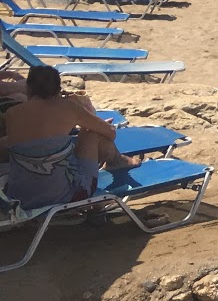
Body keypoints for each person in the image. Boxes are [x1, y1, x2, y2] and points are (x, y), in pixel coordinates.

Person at [0, 67, 134, 210]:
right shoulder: (69, 107)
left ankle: (118, 160)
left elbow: (36, 139)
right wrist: (88, 114)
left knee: (46, 149)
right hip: (67, 195)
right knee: (92, 134)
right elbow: (111, 133)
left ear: (28, 88)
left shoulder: (12, 114)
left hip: (21, 196)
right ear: (58, 88)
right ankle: (118, 161)